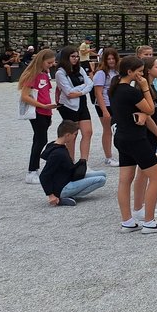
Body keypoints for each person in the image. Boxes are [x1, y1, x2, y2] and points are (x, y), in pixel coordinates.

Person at [110, 55, 157, 234]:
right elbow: (150, 110)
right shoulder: (131, 91)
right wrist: (145, 87)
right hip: (135, 138)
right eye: (138, 73)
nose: (140, 76)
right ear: (129, 72)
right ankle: (149, 222)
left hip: (122, 137)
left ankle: (127, 221)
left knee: (125, 180)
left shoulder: (115, 89)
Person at [39, 120, 107, 206]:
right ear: (67, 135)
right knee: (101, 180)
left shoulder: (54, 145)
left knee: (103, 174)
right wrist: (51, 195)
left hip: (68, 176)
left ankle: (70, 194)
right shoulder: (57, 153)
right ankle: (64, 197)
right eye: (74, 134)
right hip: (63, 187)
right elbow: (44, 175)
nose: (75, 137)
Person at [19, 49, 59, 184]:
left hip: (45, 111)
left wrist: (49, 111)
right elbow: (24, 96)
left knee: (39, 139)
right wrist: (42, 106)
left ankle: (34, 169)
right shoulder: (32, 75)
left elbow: (45, 94)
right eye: (49, 62)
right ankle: (32, 171)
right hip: (37, 112)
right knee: (40, 140)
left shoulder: (45, 74)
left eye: (53, 62)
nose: (51, 65)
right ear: (41, 61)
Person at [54, 46, 94, 163]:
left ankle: (83, 162)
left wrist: (80, 91)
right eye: (73, 56)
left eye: (77, 56)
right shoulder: (60, 73)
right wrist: (83, 88)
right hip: (68, 106)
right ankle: (70, 161)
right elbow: (68, 92)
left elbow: (90, 83)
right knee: (72, 135)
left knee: (88, 132)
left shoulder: (80, 69)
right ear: (66, 58)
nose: (75, 59)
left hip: (81, 103)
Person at [92, 47, 120, 166]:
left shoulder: (117, 71)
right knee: (107, 130)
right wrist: (104, 110)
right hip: (105, 103)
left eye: (113, 58)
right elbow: (98, 92)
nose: (111, 61)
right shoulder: (101, 73)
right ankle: (108, 157)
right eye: (108, 59)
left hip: (115, 103)